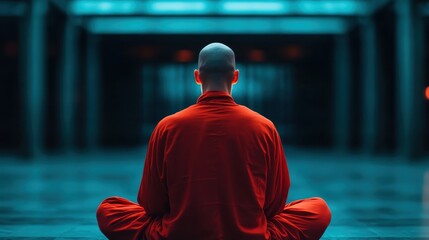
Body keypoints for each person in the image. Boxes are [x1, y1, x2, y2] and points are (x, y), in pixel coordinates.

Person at [96, 42, 331, 240]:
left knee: (109, 210)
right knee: (318, 209)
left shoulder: (167, 125)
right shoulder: (263, 126)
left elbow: (151, 203)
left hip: (177, 233)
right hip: (250, 233)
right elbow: (274, 203)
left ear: (197, 76)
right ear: (235, 77)